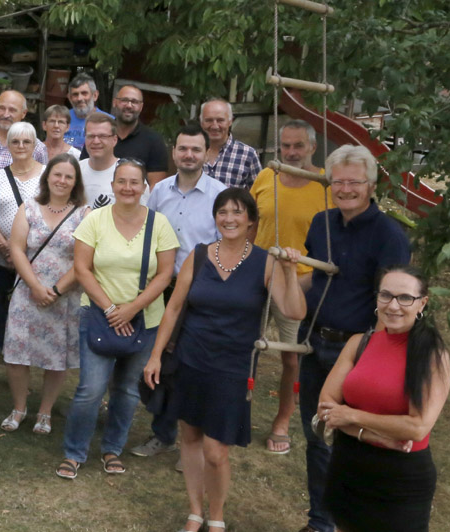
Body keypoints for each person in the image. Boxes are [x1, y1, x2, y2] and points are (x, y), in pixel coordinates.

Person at [143, 188, 306, 532]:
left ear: (250, 220)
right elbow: (173, 308)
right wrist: (156, 355)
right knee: (189, 437)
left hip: (232, 366)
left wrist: (290, 272)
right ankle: (194, 511)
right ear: (215, 218)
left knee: (216, 450)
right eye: (222, 212)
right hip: (190, 359)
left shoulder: (266, 261)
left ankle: (216, 516)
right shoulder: (199, 255)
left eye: (237, 212)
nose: (229, 219)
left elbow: (294, 311)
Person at [296, 145, 410, 532]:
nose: (345, 189)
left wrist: (376, 355)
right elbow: (316, 278)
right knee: (317, 434)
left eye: (354, 182)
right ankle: (320, 522)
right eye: (338, 181)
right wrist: (283, 282)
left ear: (371, 185)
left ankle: (354, 520)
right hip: (313, 341)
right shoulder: (320, 222)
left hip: (358, 349)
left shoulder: (389, 236)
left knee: (354, 438)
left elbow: (393, 304)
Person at [57, 159, 177, 479]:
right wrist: (112, 309)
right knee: (90, 389)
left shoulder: (159, 224)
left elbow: (165, 275)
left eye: (134, 182)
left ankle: (112, 448)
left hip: (145, 319)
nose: (127, 188)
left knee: (127, 390)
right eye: (121, 182)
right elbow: (82, 268)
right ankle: (74, 451)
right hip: (98, 314)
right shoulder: (94, 220)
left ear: (144, 188)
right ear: (112, 186)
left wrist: (132, 308)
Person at [318, 266, 449, 532]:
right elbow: (327, 406)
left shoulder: (430, 354)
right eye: (386, 295)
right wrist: (374, 436)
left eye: (405, 298)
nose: (393, 305)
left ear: (422, 303)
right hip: (348, 466)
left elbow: (417, 427)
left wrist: (352, 416)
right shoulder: (359, 343)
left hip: (399, 480)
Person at [131, 125, 225, 460]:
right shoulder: (159, 192)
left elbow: (223, 247)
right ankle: (163, 433)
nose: (189, 155)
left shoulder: (220, 195)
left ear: (205, 153)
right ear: (174, 153)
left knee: (192, 365)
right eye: (183, 149)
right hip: (161, 286)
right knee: (161, 362)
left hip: (200, 291)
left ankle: (193, 445)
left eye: (195, 150)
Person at [250, 120, 330, 454]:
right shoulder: (267, 175)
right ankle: (237, 412)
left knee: (291, 359)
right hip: (257, 275)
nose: (291, 152)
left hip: (297, 283)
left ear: (312, 147)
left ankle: (282, 420)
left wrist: (305, 280)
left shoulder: (324, 185)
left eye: (298, 146)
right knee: (244, 349)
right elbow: (251, 223)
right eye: (285, 145)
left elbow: (330, 244)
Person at [1, 153, 90, 435]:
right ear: (47, 177)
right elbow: (17, 249)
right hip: (27, 292)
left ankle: (45, 411)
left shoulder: (84, 214)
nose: (62, 181)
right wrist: (37, 287)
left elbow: (84, 260)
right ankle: (19, 407)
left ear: (75, 182)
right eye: (57, 175)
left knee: (56, 356)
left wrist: (55, 290)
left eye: (68, 176)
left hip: (64, 296)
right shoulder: (28, 208)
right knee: (17, 353)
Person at [0, 121, 45, 386]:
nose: (21, 146)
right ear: (8, 145)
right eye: (15, 141)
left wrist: (23, 252)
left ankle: (27, 366)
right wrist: (4, 246)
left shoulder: (47, 176)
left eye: (27, 142)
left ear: (35, 145)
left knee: (29, 313)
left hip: (33, 258)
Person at [80, 112, 149, 209]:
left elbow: (142, 215)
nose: (96, 141)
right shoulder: (75, 170)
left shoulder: (131, 174)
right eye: (91, 136)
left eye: (102, 136)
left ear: (114, 140)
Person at [0, 89, 49, 169]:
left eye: (12, 110)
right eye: (2, 108)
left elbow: (43, 179)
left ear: (23, 113)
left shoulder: (37, 148)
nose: (6, 114)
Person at [111, 85, 169, 186]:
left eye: (134, 102)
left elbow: (155, 189)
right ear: (114, 102)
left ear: (141, 107)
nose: (129, 105)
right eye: (124, 100)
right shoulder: (101, 136)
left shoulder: (154, 141)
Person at [200, 98, 261, 189]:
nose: (215, 126)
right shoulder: (191, 152)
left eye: (220, 120)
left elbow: (258, 196)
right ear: (201, 122)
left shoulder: (248, 154)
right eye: (209, 120)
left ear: (230, 121)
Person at [63, 73, 114, 150]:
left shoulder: (110, 121)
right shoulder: (61, 118)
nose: (79, 98)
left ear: (95, 95)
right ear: (69, 98)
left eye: (84, 93)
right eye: (75, 94)